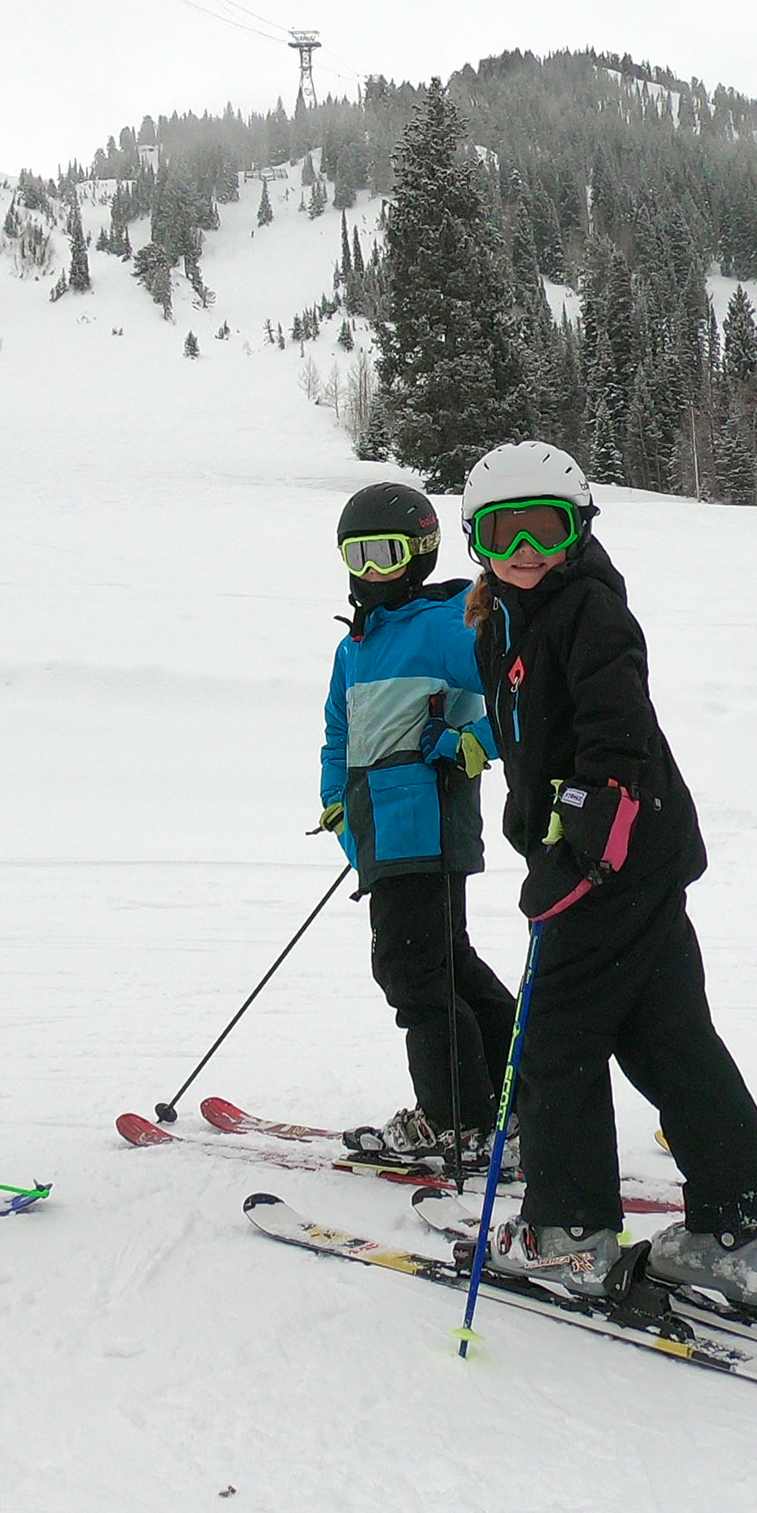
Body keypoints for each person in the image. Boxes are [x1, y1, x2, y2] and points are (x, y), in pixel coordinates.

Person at [457, 440, 757, 1308]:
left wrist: (585, 842)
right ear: (478, 541)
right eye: (505, 533)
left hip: (607, 865)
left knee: (557, 1044)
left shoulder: (590, 612)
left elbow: (617, 731)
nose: (526, 549)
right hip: (632, 864)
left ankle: (570, 1233)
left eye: (546, 528)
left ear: (579, 530)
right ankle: (732, 1227)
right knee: (668, 1036)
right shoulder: (509, 618)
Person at [315, 481, 521, 1168]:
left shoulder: (443, 624)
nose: (373, 570)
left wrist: (476, 743)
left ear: (422, 553)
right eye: (359, 554)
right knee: (445, 966)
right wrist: (339, 803)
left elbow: (522, 691)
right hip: (385, 829)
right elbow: (338, 734)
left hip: (429, 822)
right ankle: (512, 1108)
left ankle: (453, 1120)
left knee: (412, 974)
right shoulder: (356, 647)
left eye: (388, 554)